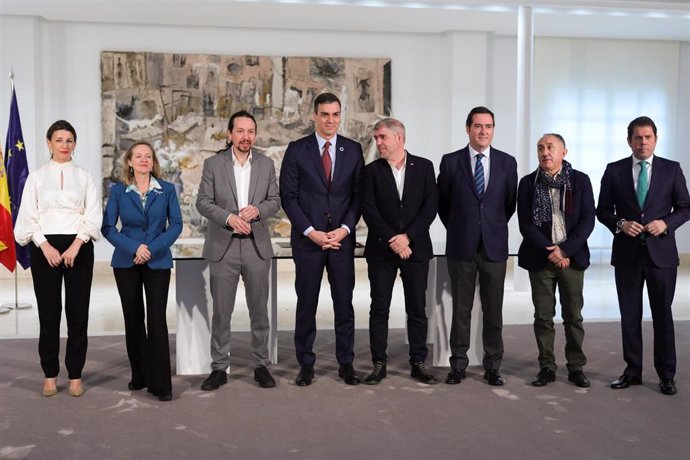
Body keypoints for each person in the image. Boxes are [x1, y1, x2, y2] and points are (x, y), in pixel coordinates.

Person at [597, 116, 690, 396]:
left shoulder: (671, 170)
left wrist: (666, 224)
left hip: (662, 256)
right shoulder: (614, 171)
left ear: (656, 139)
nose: (643, 142)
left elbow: (685, 208)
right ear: (629, 141)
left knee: (662, 315)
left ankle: (666, 375)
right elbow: (602, 210)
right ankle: (632, 371)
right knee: (630, 315)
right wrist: (620, 224)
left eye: (648, 137)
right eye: (637, 137)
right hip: (627, 256)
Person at [280, 92, 364, 386]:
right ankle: (305, 363)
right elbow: (288, 198)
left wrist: (344, 229)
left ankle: (346, 363)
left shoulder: (353, 150)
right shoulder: (297, 149)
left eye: (335, 114)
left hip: (341, 241)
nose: (330, 120)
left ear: (341, 116)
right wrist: (310, 232)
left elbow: (358, 197)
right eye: (325, 114)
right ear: (314, 115)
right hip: (308, 242)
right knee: (306, 304)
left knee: (344, 303)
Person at [14, 120, 102, 397]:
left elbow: (93, 214)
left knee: (78, 313)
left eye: (69, 140)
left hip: (79, 247)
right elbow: (28, 216)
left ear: (75, 144)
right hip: (46, 248)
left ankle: (75, 374)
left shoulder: (85, 176)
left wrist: (77, 244)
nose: (64, 145)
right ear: (48, 143)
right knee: (49, 314)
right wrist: (44, 245)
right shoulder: (37, 177)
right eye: (59, 140)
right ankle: (49, 374)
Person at [196, 110, 281, 390]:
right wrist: (229, 218)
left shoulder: (266, 164)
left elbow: (274, 201)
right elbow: (203, 202)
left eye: (251, 132)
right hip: (224, 246)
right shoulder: (213, 164)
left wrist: (257, 211)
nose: (246, 137)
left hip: (257, 247)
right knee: (222, 312)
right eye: (241, 131)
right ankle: (219, 367)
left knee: (260, 312)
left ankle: (261, 366)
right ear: (230, 134)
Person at [437, 106, 517, 386]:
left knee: (494, 310)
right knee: (461, 309)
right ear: (468, 128)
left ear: (493, 129)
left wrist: (488, 228)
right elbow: (444, 205)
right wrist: (464, 228)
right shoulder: (450, 162)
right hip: (461, 246)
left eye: (489, 126)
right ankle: (458, 364)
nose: (483, 131)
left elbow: (508, 205)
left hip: (494, 247)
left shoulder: (508, 163)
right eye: (478, 126)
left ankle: (493, 366)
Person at [101, 141, 182, 402]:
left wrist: (150, 248)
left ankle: (161, 384)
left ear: (153, 162)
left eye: (148, 156)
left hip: (157, 260)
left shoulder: (167, 190)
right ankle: (140, 375)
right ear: (129, 162)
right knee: (133, 319)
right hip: (126, 261)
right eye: (139, 156)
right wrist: (135, 247)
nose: (144, 160)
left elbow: (176, 225)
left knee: (156, 320)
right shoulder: (118, 191)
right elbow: (108, 228)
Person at [361, 118, 438, 385]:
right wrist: (393, 240)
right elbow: (368, 210)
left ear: (399, 138)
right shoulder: (370, 171)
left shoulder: (425, 167)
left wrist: (407, 238)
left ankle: (418, 362)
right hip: (381, 251)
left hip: (415, 250)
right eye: (376, 138)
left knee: (417, 308)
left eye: (382, 137)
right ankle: (378, 363)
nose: (378, 142)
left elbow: (430, 207)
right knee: (379, 308)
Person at [517, 134, 595, 388]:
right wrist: (550, 249)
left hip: (572, 258)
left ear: (564, 152)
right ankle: (547, 367)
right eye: (540, 148)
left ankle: (576, 368)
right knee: (543, 317)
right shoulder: (528, 183)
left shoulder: (580, 181)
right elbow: (525, 224)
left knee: (573, 316)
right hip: (540, 258)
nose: (544, 152)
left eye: (550, 147)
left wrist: (565, 251)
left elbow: (587, 221)